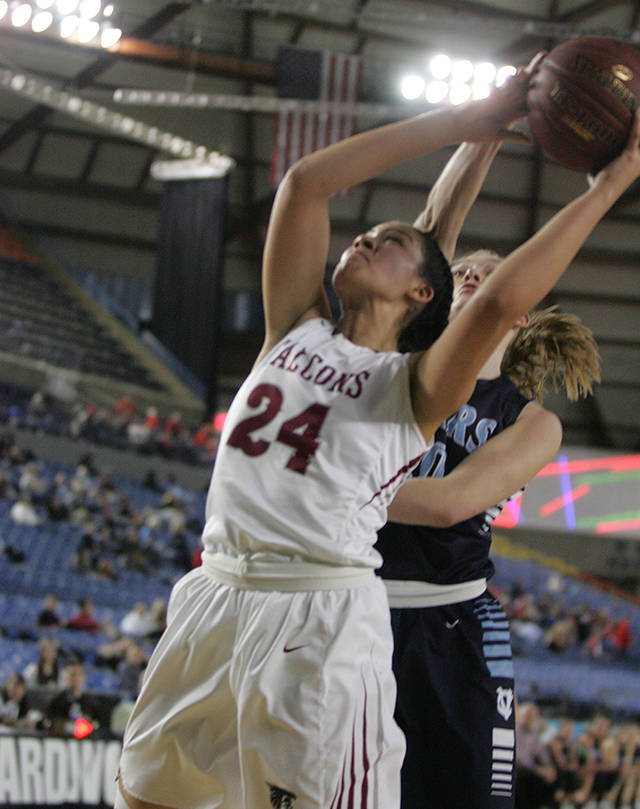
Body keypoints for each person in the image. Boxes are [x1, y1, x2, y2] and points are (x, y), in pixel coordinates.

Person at [115, 57, 640, 809]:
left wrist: (609, 188)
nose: (363, 237)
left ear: (422, 291)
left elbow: (495, 303)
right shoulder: (293, 327)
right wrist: (467, 124)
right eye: (367, 232)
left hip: (329, 613)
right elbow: (305, 184)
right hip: (215, 591)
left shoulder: (413, 387)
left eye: (387, 240)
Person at [376, 140, 601, 809]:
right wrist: (483, 137)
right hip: (355, 602)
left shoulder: (531, 421)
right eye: (463, 271)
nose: (473, 275)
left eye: (490, 275)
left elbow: (449, 504)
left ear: (517, 308)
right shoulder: (396, 360)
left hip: (450, 620)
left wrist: (323, 484)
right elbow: (432, 226)